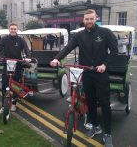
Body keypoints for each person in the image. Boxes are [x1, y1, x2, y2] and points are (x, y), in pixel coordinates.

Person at [50, 9, 118, 147]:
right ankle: (94, 126)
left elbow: (115, 51)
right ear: (83, 19)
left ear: (96, 18)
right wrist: (57, 58)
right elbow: (68, 47)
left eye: (91, 19)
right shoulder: (79, 35)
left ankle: (108, 133)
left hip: (101, 73)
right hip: (86, 73)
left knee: (104, 103)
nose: (89, 21)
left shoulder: (105, 33)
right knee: (90, 102)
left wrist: (105, 65)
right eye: (86, 19)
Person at [0, 23, 31, 113]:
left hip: (17, 65)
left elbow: (26, 48)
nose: (13, 30)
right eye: (11, 29)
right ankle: (3, 106)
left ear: (17, 30)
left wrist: (28, 57)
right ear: (9, 30)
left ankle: (14, 103)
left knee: (15, 86)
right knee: (4, 86)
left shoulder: (20, 40)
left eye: (14, 29)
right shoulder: (5, 39)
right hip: (7, 64)